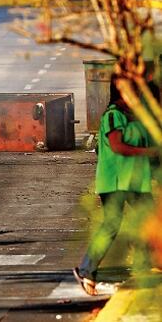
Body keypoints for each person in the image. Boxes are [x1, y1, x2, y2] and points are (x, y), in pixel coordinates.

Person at [73, 78, 159, 296]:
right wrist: (149, 153)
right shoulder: (113, 115)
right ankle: (86, 269)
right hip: (115, 182)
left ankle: (146, 265)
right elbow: (117, 146)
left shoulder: (135, 119)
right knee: (112, 225)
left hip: (135, 181)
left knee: (149, 222)